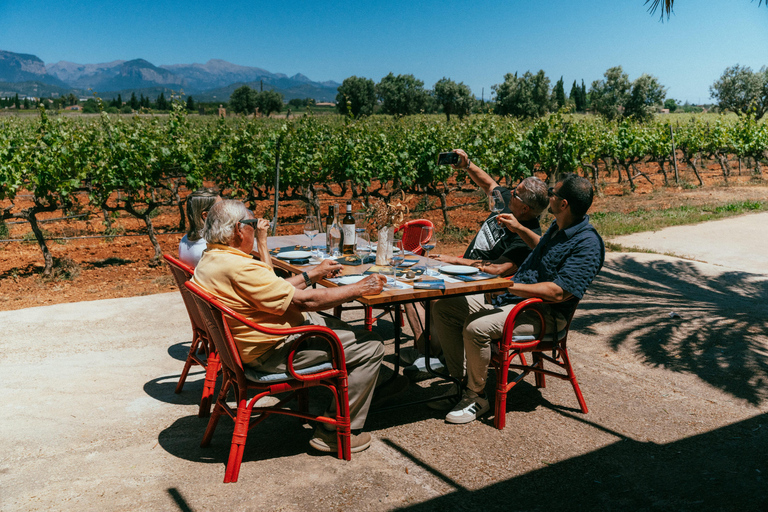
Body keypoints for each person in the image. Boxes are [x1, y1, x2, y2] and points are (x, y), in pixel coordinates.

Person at [192, 200, 387, 453]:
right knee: (372, 345)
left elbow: (277, 290)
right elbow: (305, 302)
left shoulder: (213, 258)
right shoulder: (240, 267)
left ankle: (367, 388)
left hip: (251, 348)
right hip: (275, 352)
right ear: (240, 229)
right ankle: (332, 433)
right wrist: (360, 288)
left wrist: (311, 275)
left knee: (338, 325)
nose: (255, 230)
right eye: (253, 224)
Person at [430, 173, 605, 424]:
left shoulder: (588, 244)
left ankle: (476, 396)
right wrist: (520, 228)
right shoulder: (559, 227)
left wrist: (511, 286)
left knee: (475, 327)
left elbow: (558, 292)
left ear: (563, 204)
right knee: (447, 307)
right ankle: (459, 382)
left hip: (541, 315)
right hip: (514, 301)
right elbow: (542, 247)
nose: (549, 197)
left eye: (553, 194)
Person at [402, 149, 548, 375]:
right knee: (408, 288)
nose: (509, 192)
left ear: (525, 208)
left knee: (434, 297)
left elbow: (498, 270)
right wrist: (467, 164)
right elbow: (489, 184)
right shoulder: (509, 202)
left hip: (480, 285)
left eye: (515, 192)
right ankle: (430, 353)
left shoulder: (526, 235)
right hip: (461, 269)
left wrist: (450, 260)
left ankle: (432, 357)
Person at [178, 188, 221, 267]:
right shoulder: (209, 250)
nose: (226, 210)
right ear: (206, 215)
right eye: (221, 208)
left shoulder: (184, 240)